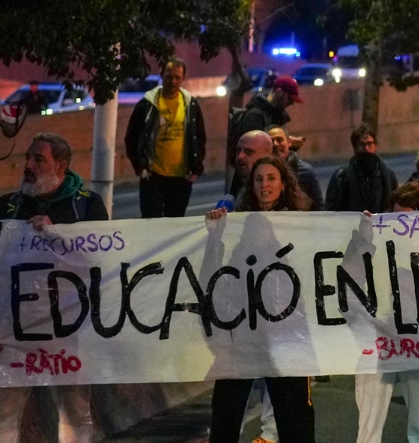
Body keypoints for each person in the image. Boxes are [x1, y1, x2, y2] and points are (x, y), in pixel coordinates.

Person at [0, 134, 105, 443]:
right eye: (28, 158)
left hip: (68, 332)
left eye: (39, 160)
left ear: (61, 165)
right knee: (2, 417)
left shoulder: (86, 205)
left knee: (75, 415)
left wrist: (56, 231)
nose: (28, 166)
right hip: (12, 332)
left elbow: (99, 260)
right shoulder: (9, 206)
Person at [204, 154, 316, 443]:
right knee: (226, 414)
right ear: (251, 185)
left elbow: (321, 269)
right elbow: (212, 275)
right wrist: (214, 236)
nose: (264, 185)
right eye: (258, 179)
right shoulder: (237, 224)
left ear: (283, 184)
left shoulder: (302, 225)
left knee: (294, 419)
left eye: (271, 178)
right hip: (243, 333)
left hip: (287, 336)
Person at [355, 182, 419, 443]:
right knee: (368, 428)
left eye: (407, 217)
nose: (400, 224)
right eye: (395, 217)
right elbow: (349, 274)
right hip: (377, 338)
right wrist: (363, 238)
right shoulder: (375, 240)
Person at [127, 57, 206, 218]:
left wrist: (196, 167)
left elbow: (199, 137)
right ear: (162, 75)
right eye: (169, 77)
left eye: (177, 77)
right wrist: (139, 167)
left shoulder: (190, 105)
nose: (173, 81)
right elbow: (132, 137)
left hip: (181, 177)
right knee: (151, 223)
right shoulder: (147, 105)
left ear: (183, 78)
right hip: (153, 176)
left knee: (175, 224)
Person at [228, 77, 296, 170]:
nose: (292, 103)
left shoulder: (276, 114)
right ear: (279, 92)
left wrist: (288, 142)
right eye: (290, 98)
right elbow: (253, 149)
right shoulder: (255, 115)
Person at [326, 124, 398, 212]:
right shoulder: (342, 176)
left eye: (369, 143)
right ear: (355, 147)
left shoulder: (388, 175)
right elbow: (331, 208)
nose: (366, 148)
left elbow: (394, 205)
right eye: (361, 144)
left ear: (375, 146)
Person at [268, 125, 323, 202]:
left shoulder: (306, 172)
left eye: (279, 140)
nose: (275, 144)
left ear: (289, 142)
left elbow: (319, 207)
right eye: (271, 141)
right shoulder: (260, 172)